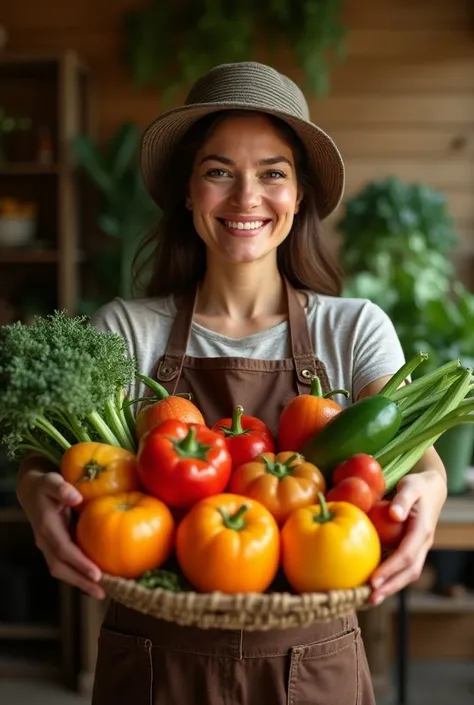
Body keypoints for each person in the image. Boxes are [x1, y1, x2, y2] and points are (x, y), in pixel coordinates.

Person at [16, 61, 447, 704]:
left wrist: (429, 494)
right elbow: (52, 462)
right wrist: (32, 492)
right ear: (188, 193)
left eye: (273, 173)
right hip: (156, 662)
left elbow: (421, 462)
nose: (247, 197)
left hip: (313, 664)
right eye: (219, 171)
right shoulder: (125, 329)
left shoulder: (353, 329)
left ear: (299, 195)